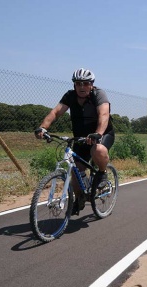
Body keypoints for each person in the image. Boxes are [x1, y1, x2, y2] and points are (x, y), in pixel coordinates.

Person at [34, 68, 115, 215]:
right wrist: (43, 127)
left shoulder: (98, 94)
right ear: (74, 85)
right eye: (78, 84)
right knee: (76, 171)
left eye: (85, 83)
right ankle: (80, 198)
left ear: (91, 85)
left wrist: (98, 133)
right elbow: (56, 112)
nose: (82, 87)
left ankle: (102, 173)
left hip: (101, 134)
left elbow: (104, 114)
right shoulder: (70, 96)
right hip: (81, 137)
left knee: (98, 150)